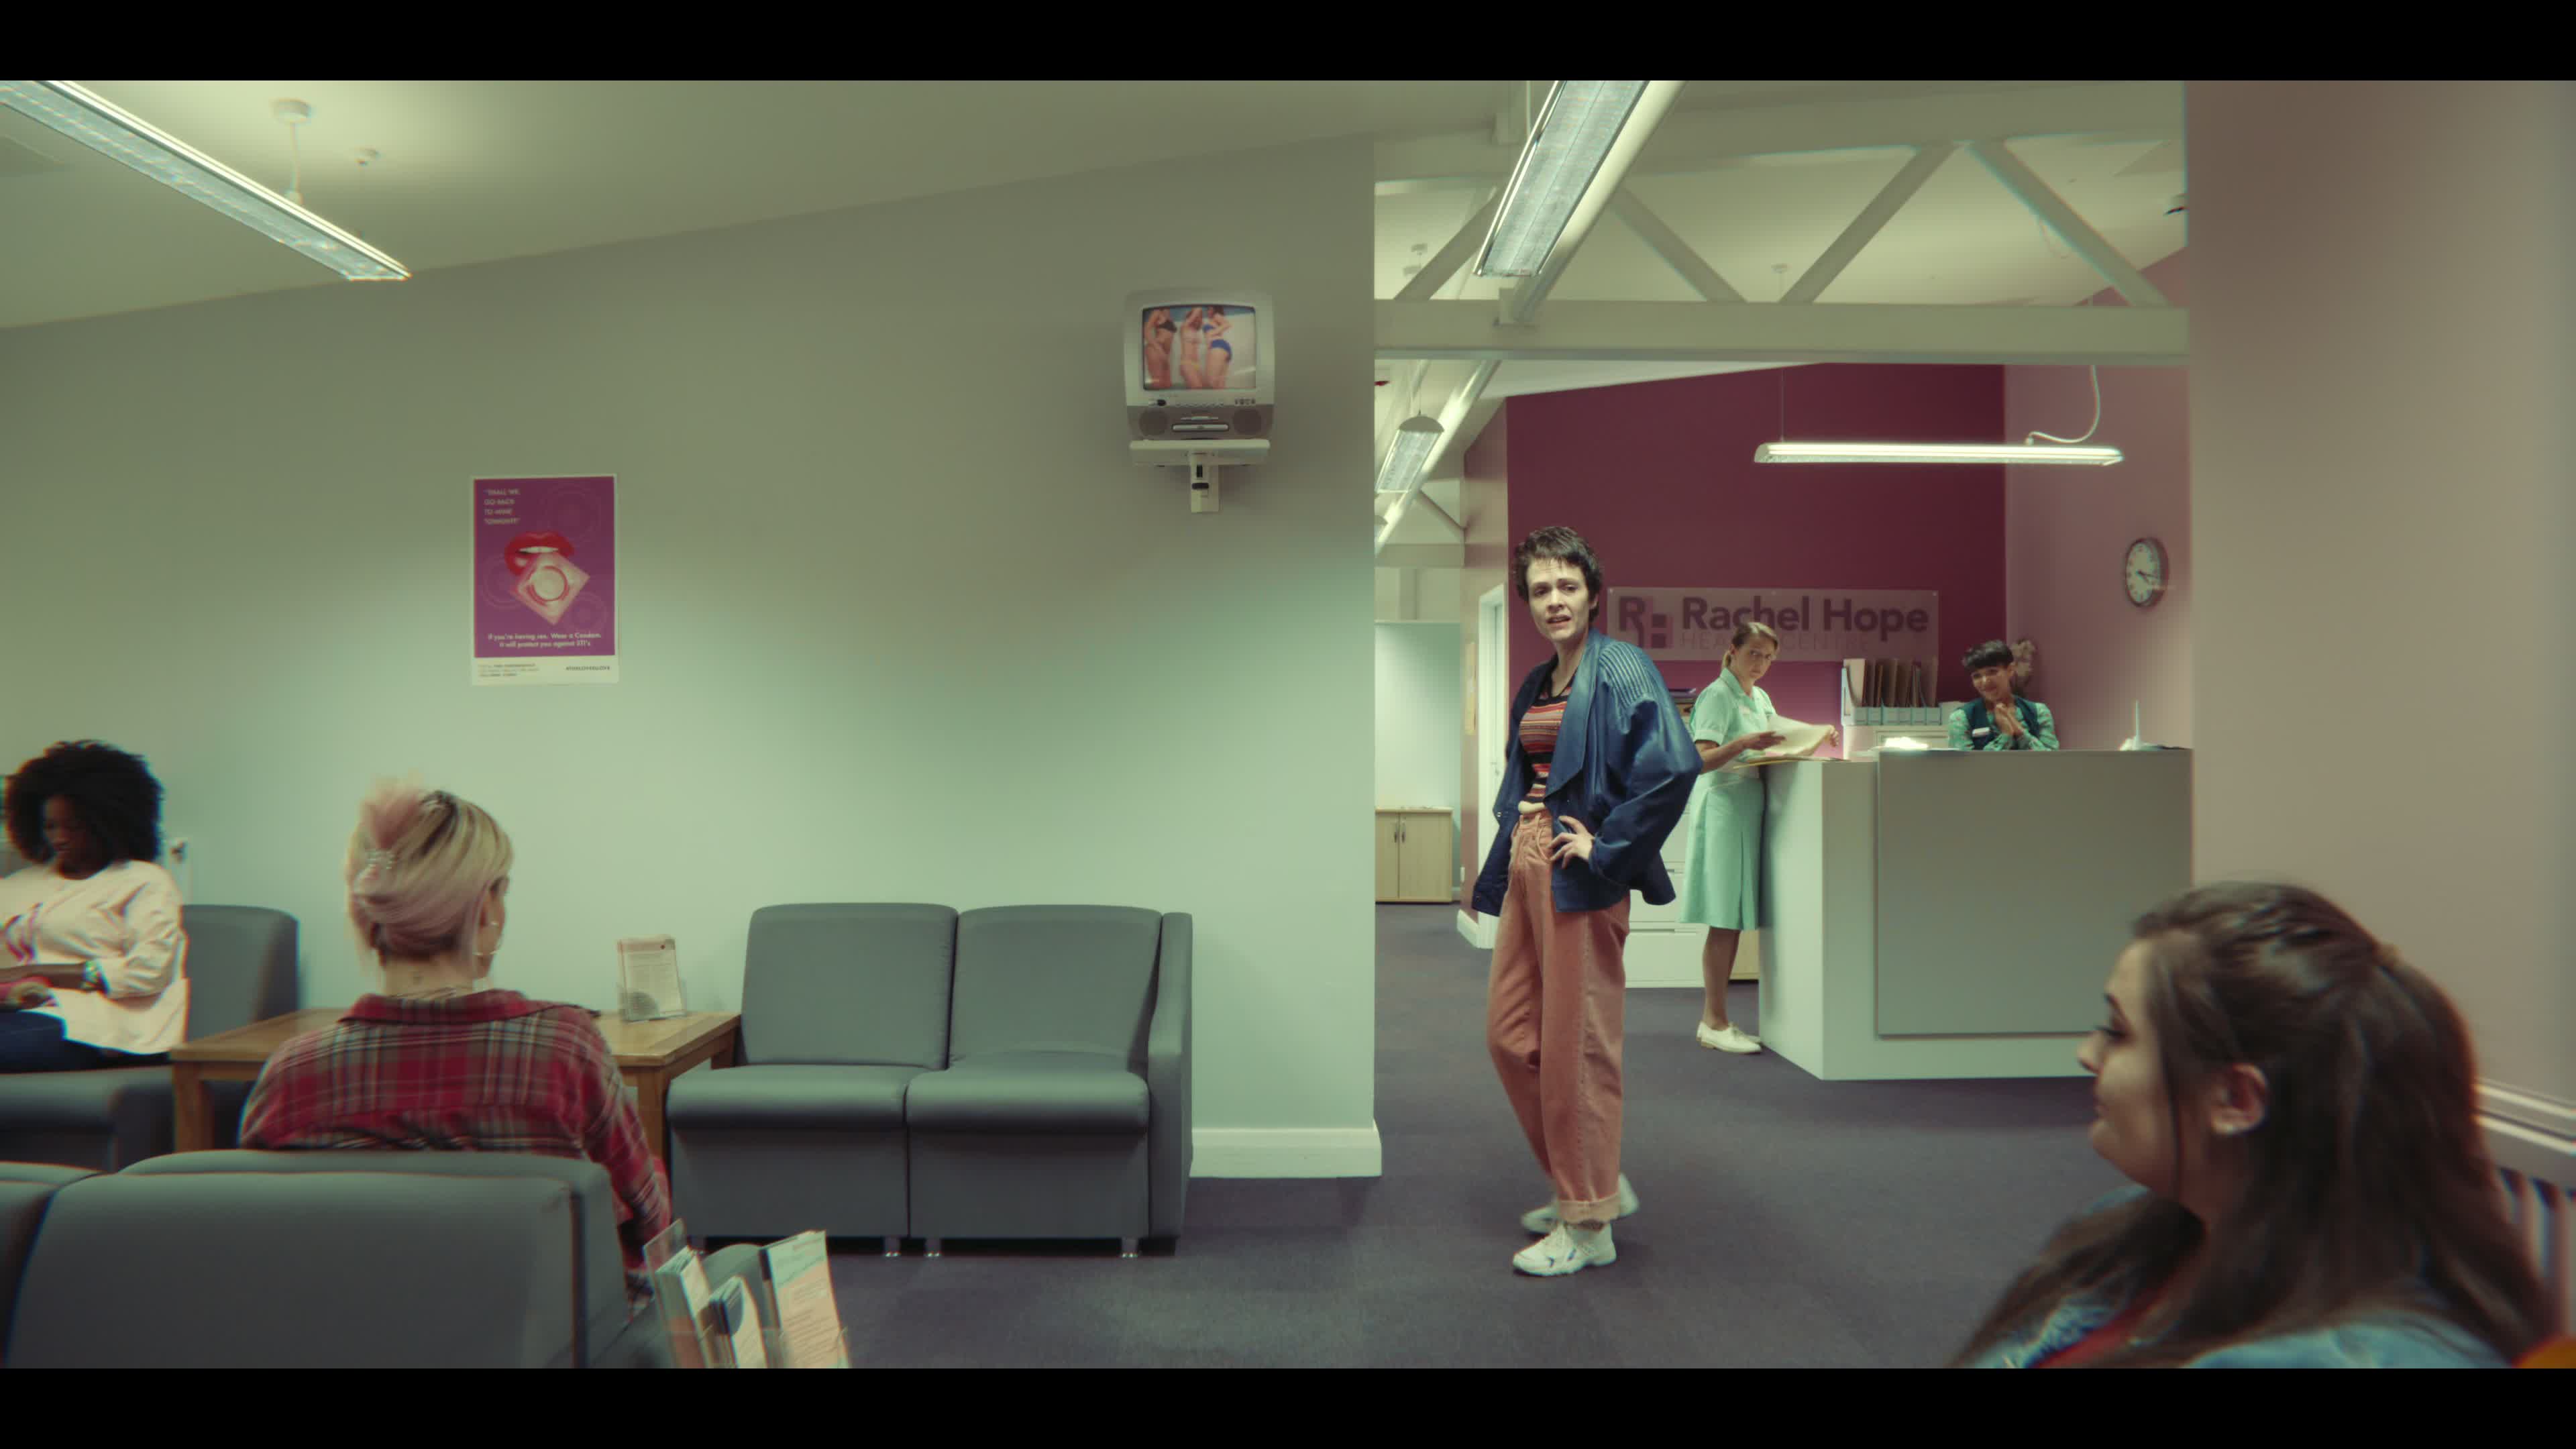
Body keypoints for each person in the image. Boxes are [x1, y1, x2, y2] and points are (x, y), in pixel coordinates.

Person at [1951, 882, 2559, 1367]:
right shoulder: (2140, 1230)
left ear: (2235, 1098)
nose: (2088, 1054)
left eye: (2119, 1032)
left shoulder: (2357, 1355)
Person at [238, 779, 673, 1270]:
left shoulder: (292, 1076)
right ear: (486, 910)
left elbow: (265, 1236)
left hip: (354, 1316)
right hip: (551, 1316)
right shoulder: (562, 1049)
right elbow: (651, 1221)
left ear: (365, 913)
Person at [1468, 527, 1699, 1277]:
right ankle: (1591, 1183)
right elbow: (1526, 776)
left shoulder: (1621, 666)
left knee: (1578, 1048)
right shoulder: (1540, 681)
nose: (1555, 600)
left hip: (1579, 870)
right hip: (1530, 856)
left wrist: (1608, 846)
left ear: (1595, 594)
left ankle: (1589, 1222)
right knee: (1511, 1037)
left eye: (1568, 586)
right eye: (1541, 590)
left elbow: (1673, 768)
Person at [1676, 622, 1835, 1055]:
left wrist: (1815, 736)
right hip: (1724, 806)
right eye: (1754, 654)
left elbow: (1773, 744)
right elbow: (1700, 761)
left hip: (1750, 807)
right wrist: (1744, 742)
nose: (1761, 664)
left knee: (1737, 916)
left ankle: (1719, 1020)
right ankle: (1713, 1020)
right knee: (1723, 917)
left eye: (1768, 657)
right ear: (1733, 650)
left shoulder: (1759, 697)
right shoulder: (1717, 695)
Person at [0, 741, 189, 1072]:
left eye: (73, 826)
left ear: (107, 822)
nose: (59, 838)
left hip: (98, 1024)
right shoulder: (18, 885)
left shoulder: (143, 881)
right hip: (18, 1010)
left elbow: (149, 972)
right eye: (50, 826)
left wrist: (37, 973)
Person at [1947, 639, 2058, 751]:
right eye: (1977, 676)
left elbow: (2052, 758)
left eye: (1992, 672)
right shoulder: (1961, 718)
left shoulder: (2039, 712)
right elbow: (1966, 762)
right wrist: (2006, 735)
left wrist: (2020, 732)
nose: (1985, 682)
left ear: (2010, 670)